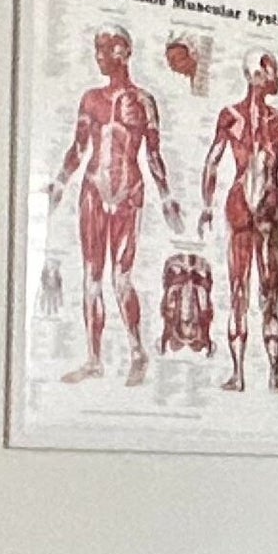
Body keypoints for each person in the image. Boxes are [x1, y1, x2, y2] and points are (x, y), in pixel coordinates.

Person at [53, 28, 178, 384]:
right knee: (92, 277)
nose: (99, 56)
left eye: (105, 49)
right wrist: (60, 182)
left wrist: (167, 196)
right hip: (93, 188)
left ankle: (137, 352)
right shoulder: (91, 99)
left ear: (123, 51)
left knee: (120, 277)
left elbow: (153, 154)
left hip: (128, 192)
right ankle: (94, 359)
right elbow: (79, 147)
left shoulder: (143, 100)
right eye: (97, 49)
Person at [201, 51, 278, 393]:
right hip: (241, 206)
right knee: (239, 289)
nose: (277, 79)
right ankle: (238, 373)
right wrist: (206, 206)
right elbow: (213, 162)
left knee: (269, 294)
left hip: (269, 209)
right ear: (257, 76)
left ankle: (273, 374)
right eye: (272, 73)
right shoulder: (231, 117)